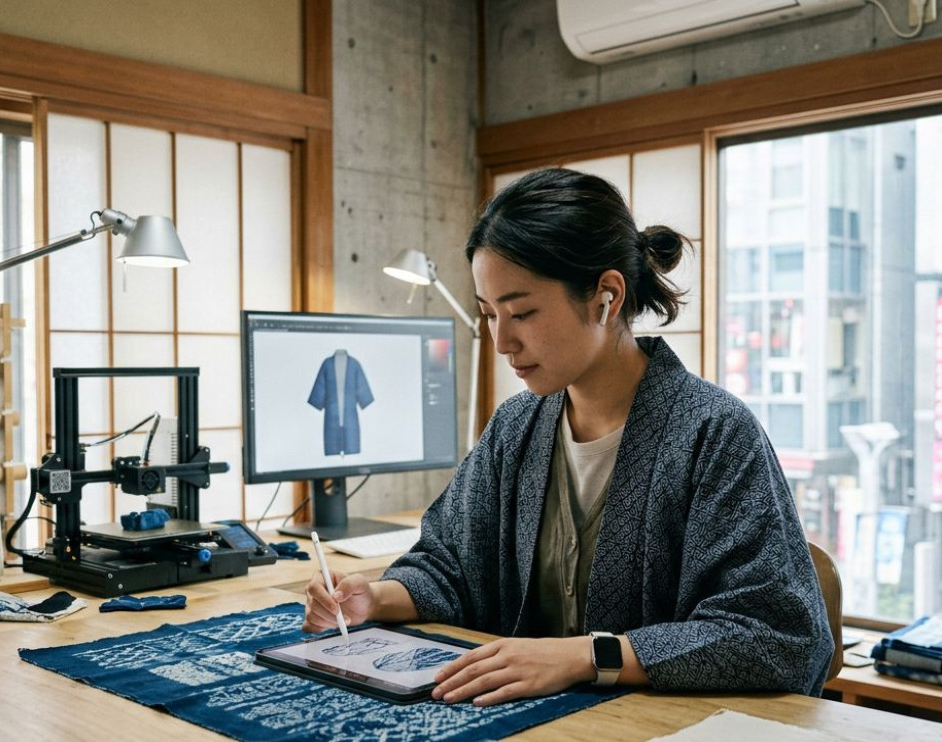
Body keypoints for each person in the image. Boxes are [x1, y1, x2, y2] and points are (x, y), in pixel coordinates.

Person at [303, 167, 834, 707]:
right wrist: (373, 598)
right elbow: (453, 567)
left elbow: (778, 637)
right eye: (489, 315)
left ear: (606, 295)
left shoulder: (714, 433)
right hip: (532, 728)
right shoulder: (516, 427)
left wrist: (584, 656)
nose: (503, 341)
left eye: (523, 312)